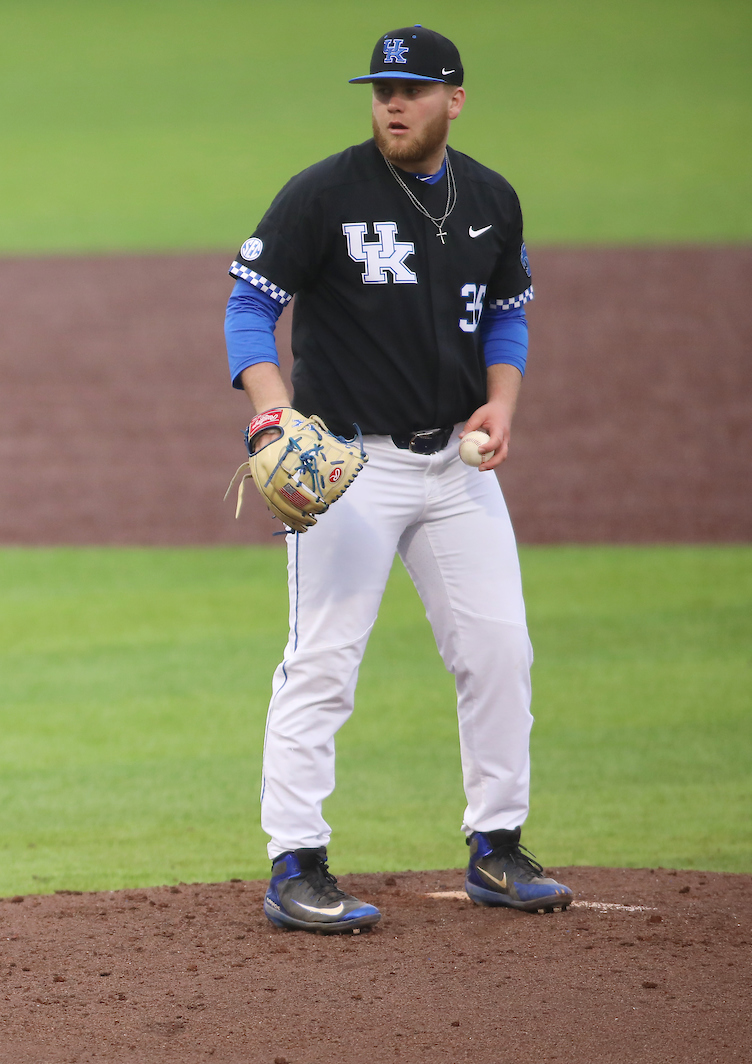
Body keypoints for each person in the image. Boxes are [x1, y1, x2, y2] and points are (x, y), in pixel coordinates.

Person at [224, 25, 572, 932]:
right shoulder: (325, 192)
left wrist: (503, 405)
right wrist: (271, 411)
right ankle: (296, 865)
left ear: (453, 100)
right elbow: (250, 304)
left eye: (412, 88)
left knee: (500, 651)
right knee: (323, 662)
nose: (392, 101)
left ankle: (496, 849)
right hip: (350, 469)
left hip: (457, 468)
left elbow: (505, 313)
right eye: (382, 86)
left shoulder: (492, 198)